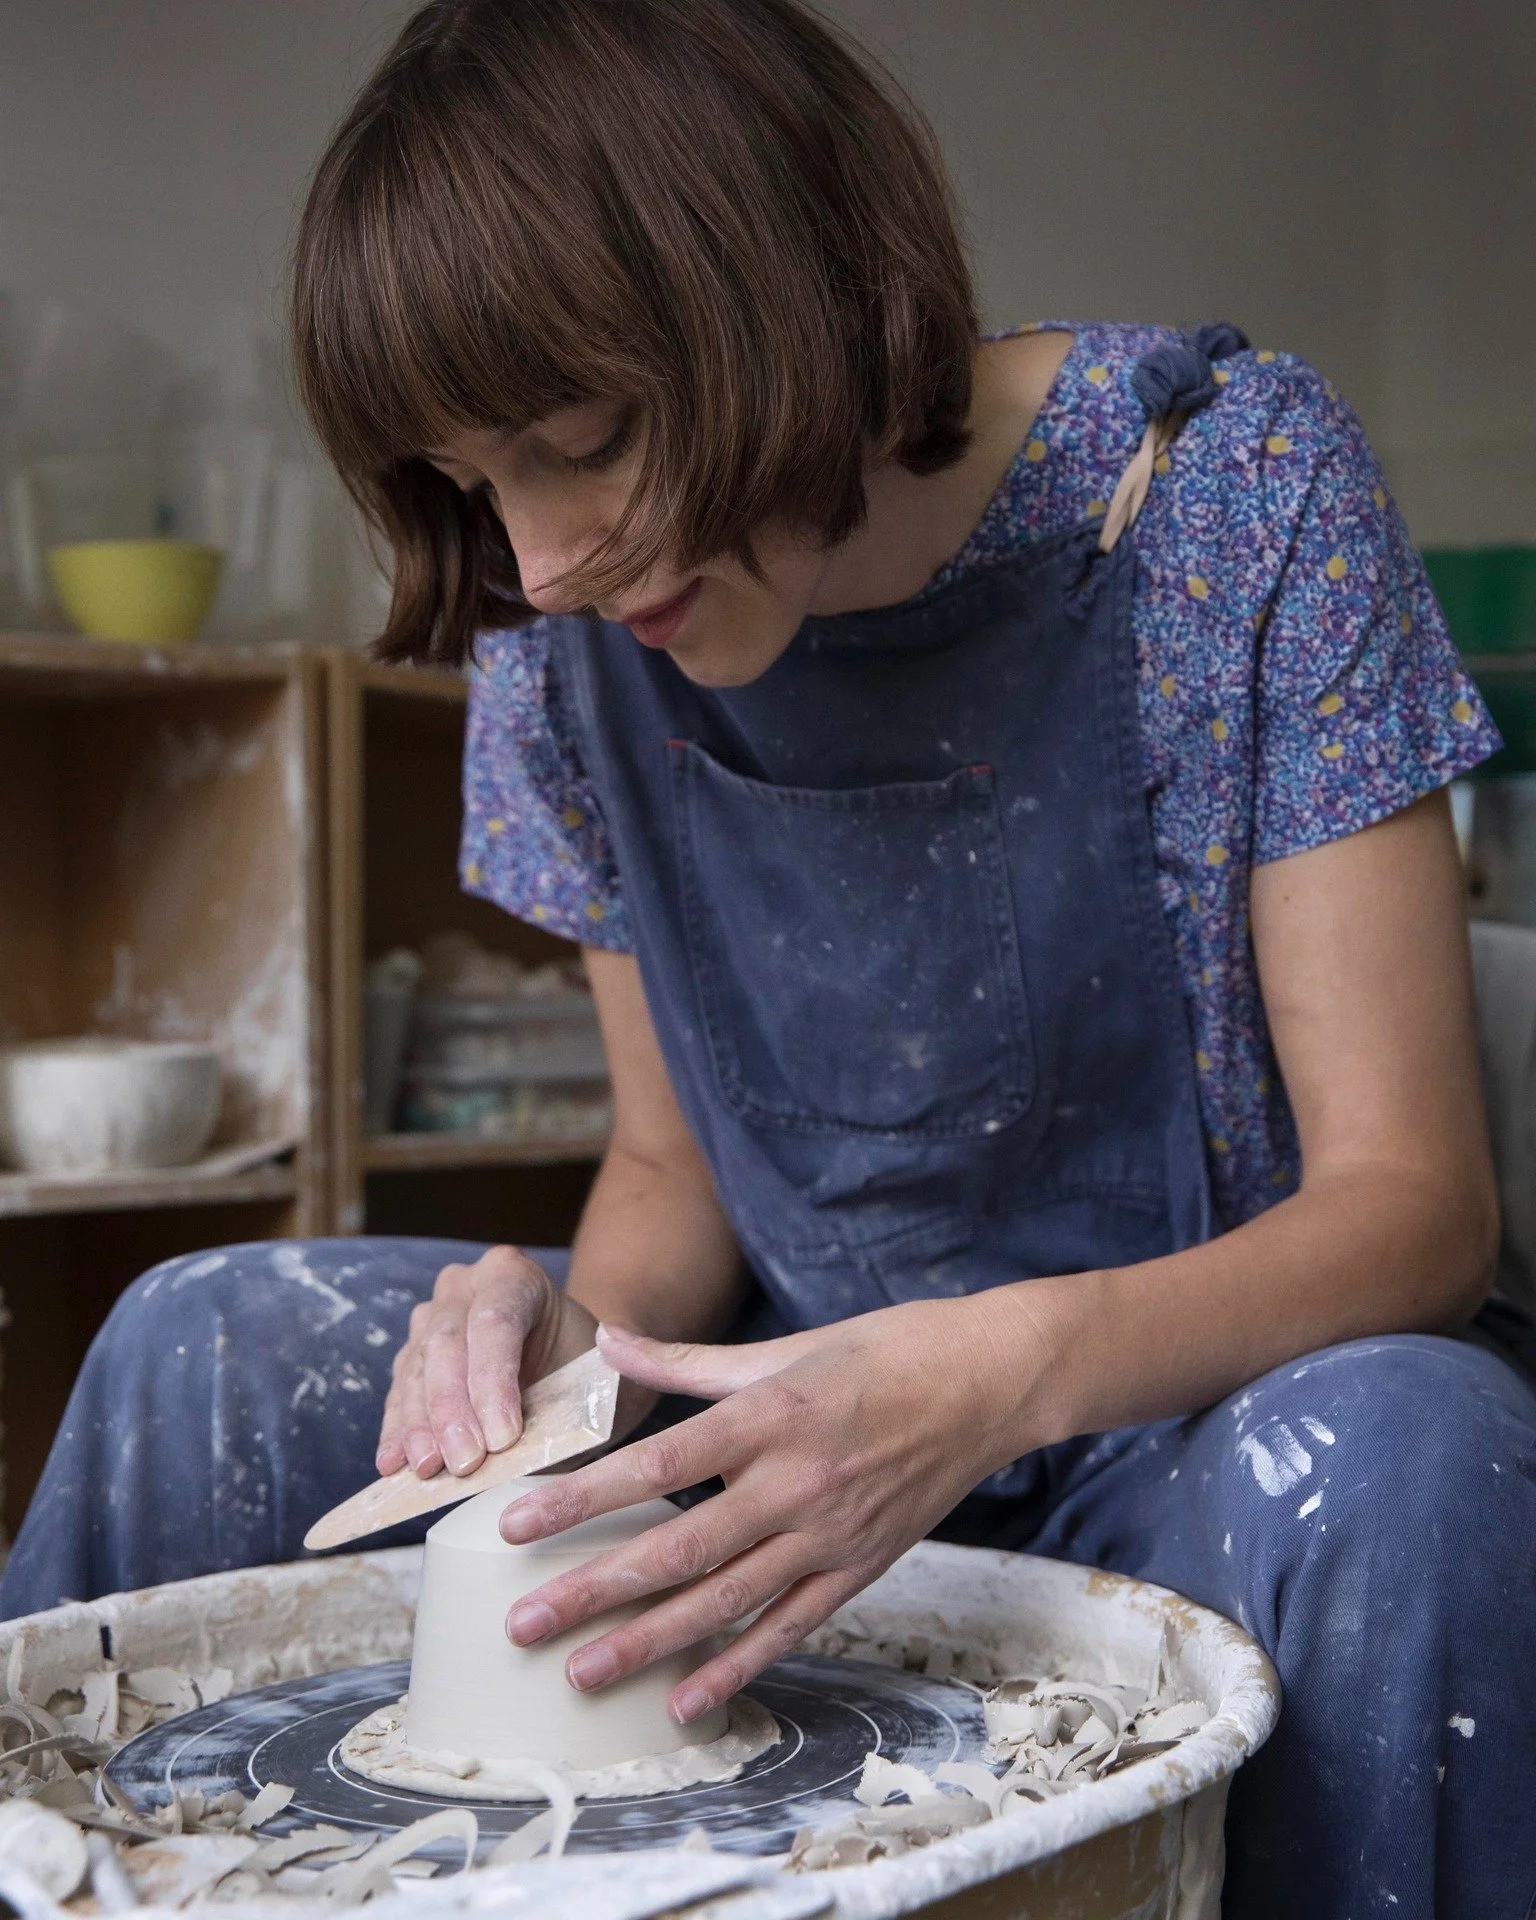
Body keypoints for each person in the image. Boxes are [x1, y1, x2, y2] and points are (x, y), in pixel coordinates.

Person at [5, 2, 1535, 1912]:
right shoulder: (557, 620)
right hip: (770, 1412)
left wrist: (976, 1378)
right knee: (197, 1343)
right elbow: (668, 1168)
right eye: (481, 483)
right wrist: (557, 1355)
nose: (541, 557)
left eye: (584, 443)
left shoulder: (1231, 492)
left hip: (1175, 1425)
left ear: (788, 303)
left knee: (1411, 1450)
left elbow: (1417, 1208)